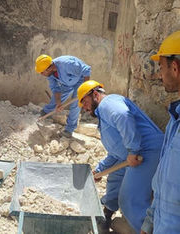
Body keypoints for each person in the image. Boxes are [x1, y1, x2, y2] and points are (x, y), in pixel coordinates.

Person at [77, 80, 164, 233]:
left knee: (129, 200)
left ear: (95, 94)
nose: (84, 108)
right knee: (115, 177)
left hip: (146, 152)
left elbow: (123, 115)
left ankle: (147, 230)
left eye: (84, 102)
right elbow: (117, 152)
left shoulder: (107, 103)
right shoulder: (103, 115)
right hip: (134, 154)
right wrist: (100, 170)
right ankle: (107, 214)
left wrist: (133, 150)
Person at [141, 30, 180, 234]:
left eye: (161, 67)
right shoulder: (175, 119)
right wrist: (150, 222)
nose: (159, 75)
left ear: (175, 67)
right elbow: (164, 181)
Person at [35, 54, 91, 138]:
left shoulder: (66, 64)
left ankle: (69, 129)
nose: (41, 74)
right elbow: (55, 89)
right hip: (66, 83)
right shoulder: (50, 74)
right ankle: (46, 112)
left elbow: (86, 70)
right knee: (56, 99)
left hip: (80, 80)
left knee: (75, 105)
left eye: (42, 72)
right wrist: (58, 103)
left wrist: (85, 88)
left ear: (49, 68)